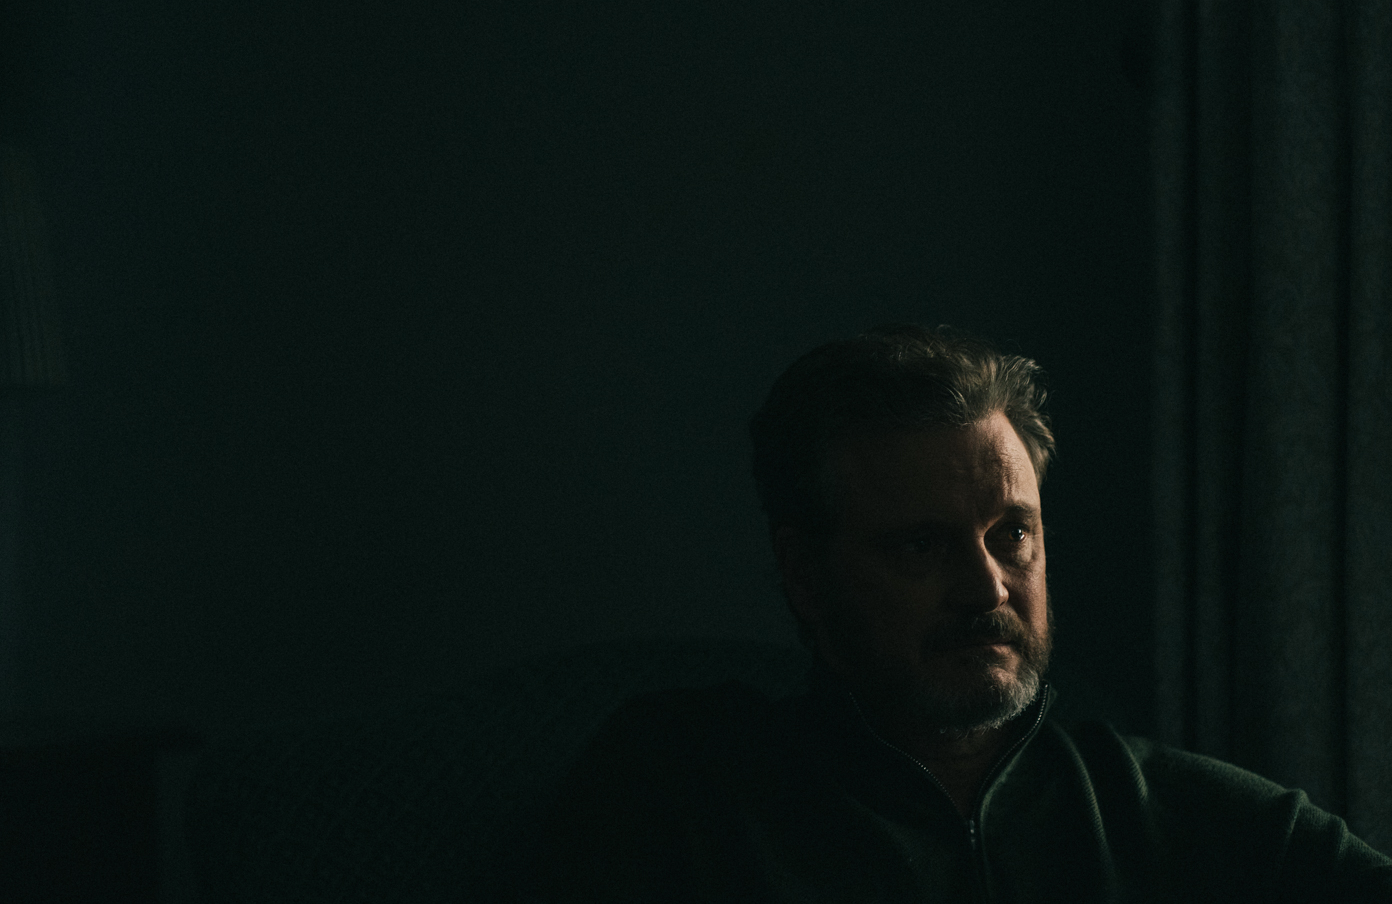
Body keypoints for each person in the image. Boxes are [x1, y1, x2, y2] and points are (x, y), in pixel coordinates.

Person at [497, 325, 1392, 902]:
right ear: (805, 575)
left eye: (1012, 534)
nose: (987, 588)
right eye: (921, 546)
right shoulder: (683, 793)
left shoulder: (1163, 812)